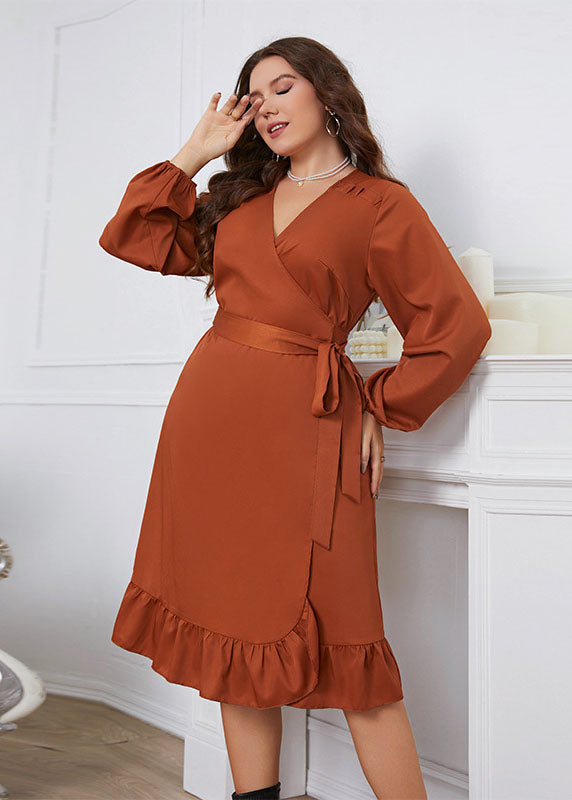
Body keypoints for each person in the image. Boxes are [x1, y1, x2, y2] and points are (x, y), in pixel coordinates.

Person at [99, 36, 491, 800]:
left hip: (310, 429)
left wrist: (378, 405)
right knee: (231, 632)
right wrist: (195, 151)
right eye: (256, 96)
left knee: (352, 646)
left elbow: (456, 327)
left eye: (283, 87)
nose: (268, 107)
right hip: (210, 425)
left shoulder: (380, 204)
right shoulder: (239, 199)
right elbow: (133, 233)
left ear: (325, 92)